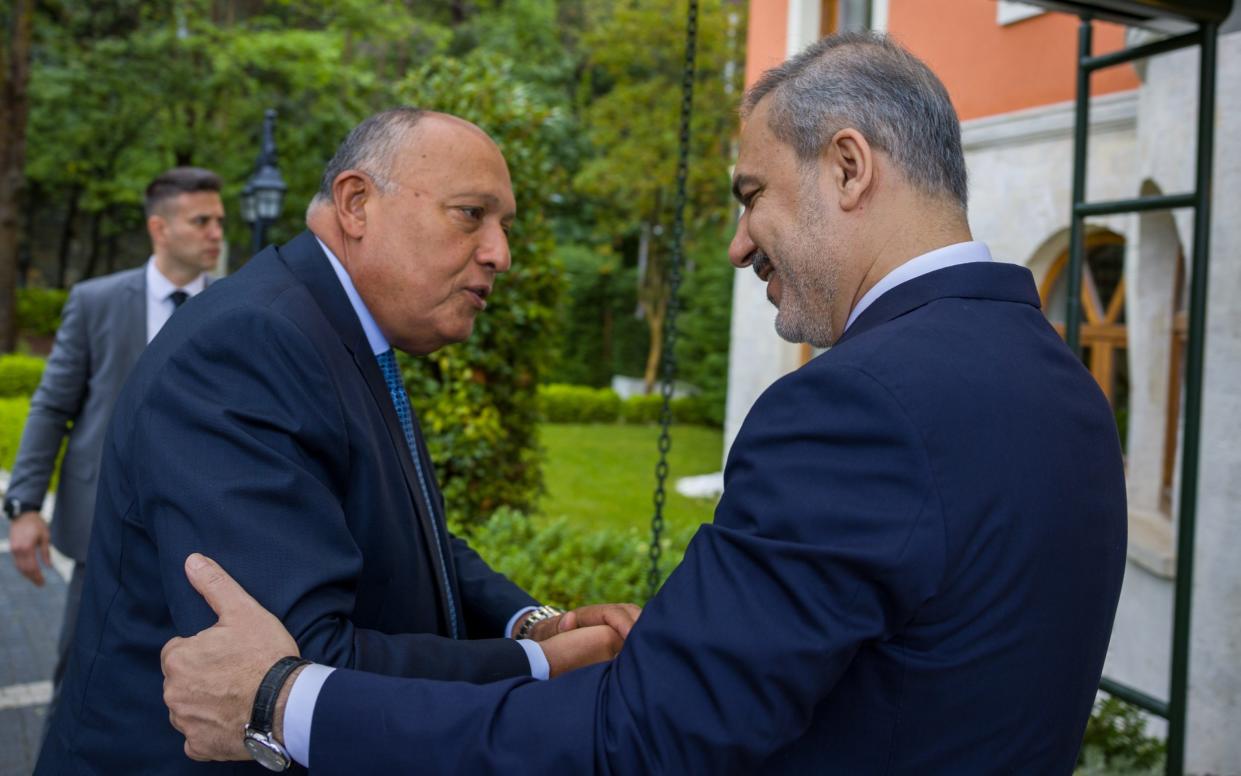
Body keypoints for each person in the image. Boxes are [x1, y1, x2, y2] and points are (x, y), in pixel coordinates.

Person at [161, 32, 1129, 774]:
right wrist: (540, 630)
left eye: (750, 195)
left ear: (846, 166)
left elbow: (639, 733)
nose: (737, 244)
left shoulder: (857, 407)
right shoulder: (1062, 385)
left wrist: (284, 701)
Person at [36, 110, 637, 775]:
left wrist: (529, 623)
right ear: (356, 203)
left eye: (504, 226)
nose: (501, 252)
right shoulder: (248, 345)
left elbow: (409, 535)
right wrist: (541, 664)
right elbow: (298, 659)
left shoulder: (330, 327)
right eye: (471, 215)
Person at [4, 166, 224, 731]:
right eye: (201, 221)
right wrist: (25, 505)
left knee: (194, 687)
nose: (216, 234)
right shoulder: (96, 301)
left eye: (219, 221)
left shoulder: (233, 307)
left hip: (203, 533)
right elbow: (53, 405)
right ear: (160, 227)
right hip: (103, 521)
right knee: (82, 670)